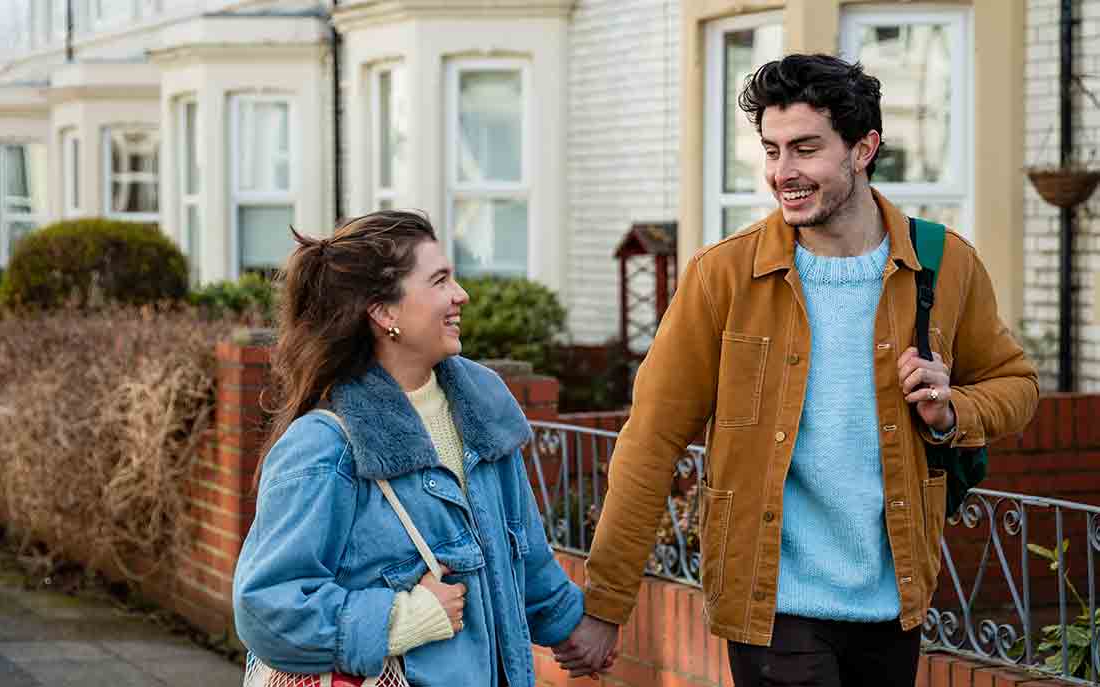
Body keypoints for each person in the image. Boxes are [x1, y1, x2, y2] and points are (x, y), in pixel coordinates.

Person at [556, 54, 1039, 686]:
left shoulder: (944, 264)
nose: (783, 173)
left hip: (895, 605)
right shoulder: (721, 277)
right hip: (774, 608)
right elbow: (649, 443)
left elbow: (1018, 385)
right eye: (772, 150)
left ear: (862, 149)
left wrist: (955, 410)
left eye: (805, 149)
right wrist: (606, 604)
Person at [232, 210, 611, 686]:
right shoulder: (325, 447)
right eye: (439, 281)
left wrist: (578, 626)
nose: (461, 295)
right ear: (384, 312)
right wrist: (400, 620)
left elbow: (525, 557)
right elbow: (266, 606)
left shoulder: (483, 410)